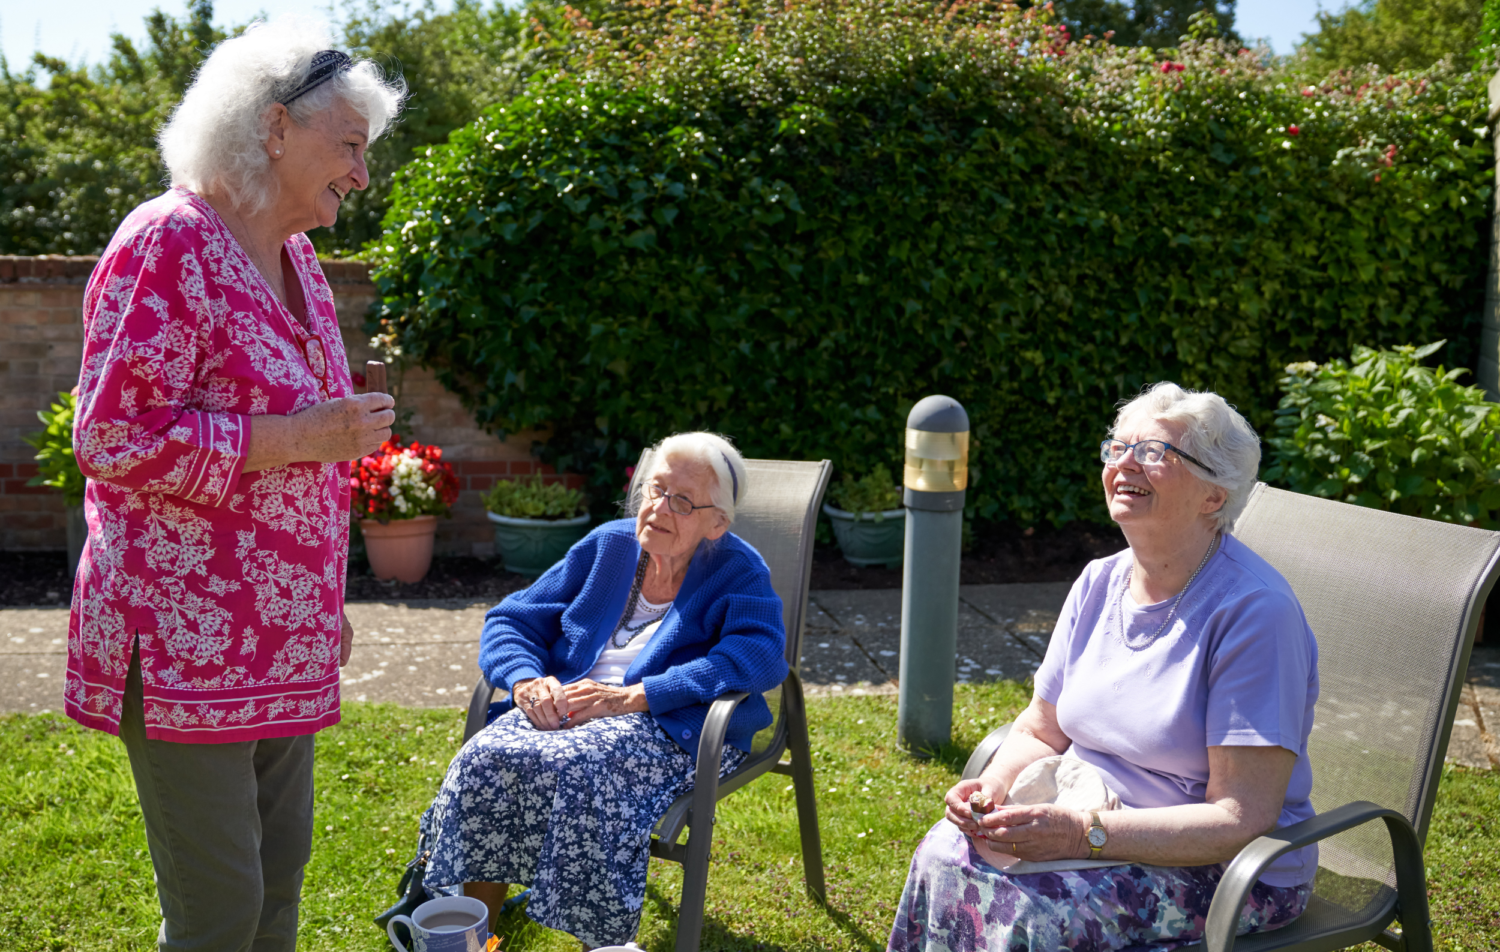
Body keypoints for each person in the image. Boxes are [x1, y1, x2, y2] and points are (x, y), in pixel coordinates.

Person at [65, 17, 404, 952]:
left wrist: (319, 598)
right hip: (181, 640)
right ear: (273, 127)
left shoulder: (299, 263)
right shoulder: (168, 244)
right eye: (349, 146)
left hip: (280, 636)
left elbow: (306, 471)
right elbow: (111, 435)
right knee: (219, 911)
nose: (361, 175)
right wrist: (299, 435)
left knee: (278, 888)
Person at [888, 383, 1320, 952]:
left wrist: (1079, 835)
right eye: (1117, 448)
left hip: (1227, 868)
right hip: (1088, 813)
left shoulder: (1254, 613)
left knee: (1034, 909)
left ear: (1213, 496)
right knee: (944, 851)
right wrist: (990, 793)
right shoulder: (1099, 581)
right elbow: (1041, 729)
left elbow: (1241, 816)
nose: (1124, 464)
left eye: (1154, 453)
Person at [420, 432, 787, 948]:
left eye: (681, 501)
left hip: (672, 724)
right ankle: (470, 934)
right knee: (487, 754)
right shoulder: (609, 546)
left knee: (584, 768)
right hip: (574, 705)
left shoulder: (738, 571)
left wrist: (639, 695)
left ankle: (605, 940)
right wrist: (526, 680)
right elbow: (511, 620)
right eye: (654, 491)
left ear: (716, 523)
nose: (659, 508)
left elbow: (761, 655)